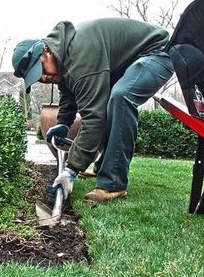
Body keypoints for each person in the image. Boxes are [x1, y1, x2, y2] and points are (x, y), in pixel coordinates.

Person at [12, 18, 174, 203]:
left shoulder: (81, 55)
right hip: (130, 62)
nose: (44, 77)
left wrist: (71, 169)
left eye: (40, 69)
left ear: (46, 50)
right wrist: (63, 123)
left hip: (160, 51)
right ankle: (103, 166)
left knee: (121, 97)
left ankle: (113, 183)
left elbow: (95, 119)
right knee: (109, 100)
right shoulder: (63, 55)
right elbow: (68, 92)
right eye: (37, 78)